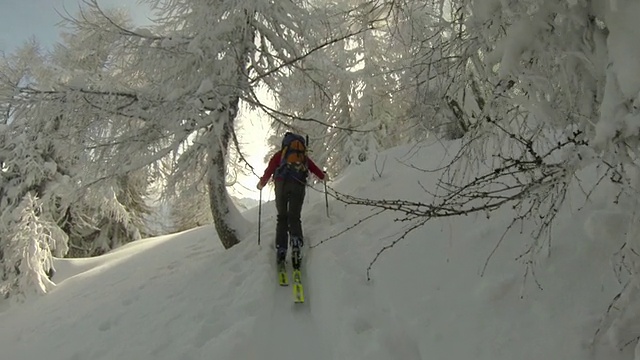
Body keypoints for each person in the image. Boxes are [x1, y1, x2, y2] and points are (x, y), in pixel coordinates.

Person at [257, 132, 327, 269]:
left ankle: (281, 250)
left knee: (282, 217)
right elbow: (313, 168)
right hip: (298, 185)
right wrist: (323, 176)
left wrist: (262, 183)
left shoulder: (280, 155)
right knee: (294, 217)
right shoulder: (303, 157)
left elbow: (270, 169)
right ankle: (295, 245)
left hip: (281, 185)